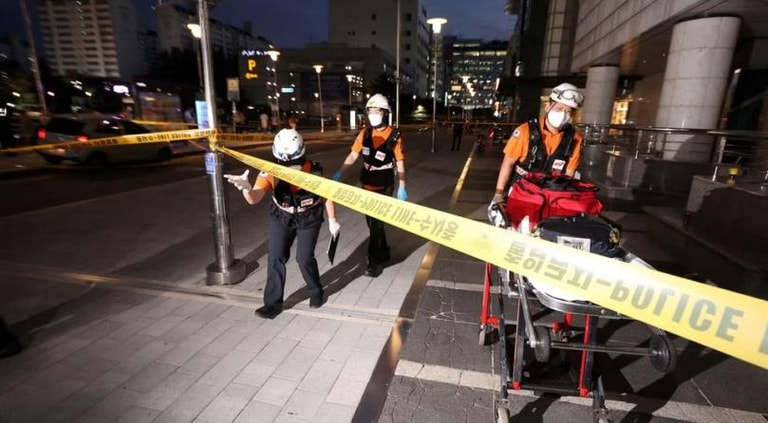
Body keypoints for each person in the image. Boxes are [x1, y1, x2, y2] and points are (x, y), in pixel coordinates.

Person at [224, 129, 341, 319]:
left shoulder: (314, 170)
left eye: (293, 160)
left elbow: (327, 195)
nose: (288, 165)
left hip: (308, 216)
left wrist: (333, 220)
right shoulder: (271, 171)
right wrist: (246, 189)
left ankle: (316, 290)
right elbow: (254, 198)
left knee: (304, 258)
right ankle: (272, 304)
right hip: (282, 216)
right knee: (276, 257)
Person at [331, 93, 407, 277]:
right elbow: (353, 155)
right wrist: (341, 171)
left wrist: (402, 186)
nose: (373, 114)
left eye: (377, 110)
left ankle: (373, 263)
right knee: (371, 223)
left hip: (385, 184)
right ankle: (384, 250)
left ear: (385, 112)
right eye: (370, 111)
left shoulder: (395, 135)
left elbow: (400, 162)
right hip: (367, 183)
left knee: (377, 224)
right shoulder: (364, 133)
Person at [489, 82, 585, 210]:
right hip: (520, 193)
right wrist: (498, 193)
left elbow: (569, 173)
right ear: (547, 107)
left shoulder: (575, 138)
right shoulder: (525, 131)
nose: (563, 114)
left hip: (550, 198)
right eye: (559, 109)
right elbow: (508, 163)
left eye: (568, 111)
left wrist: (565, 199)